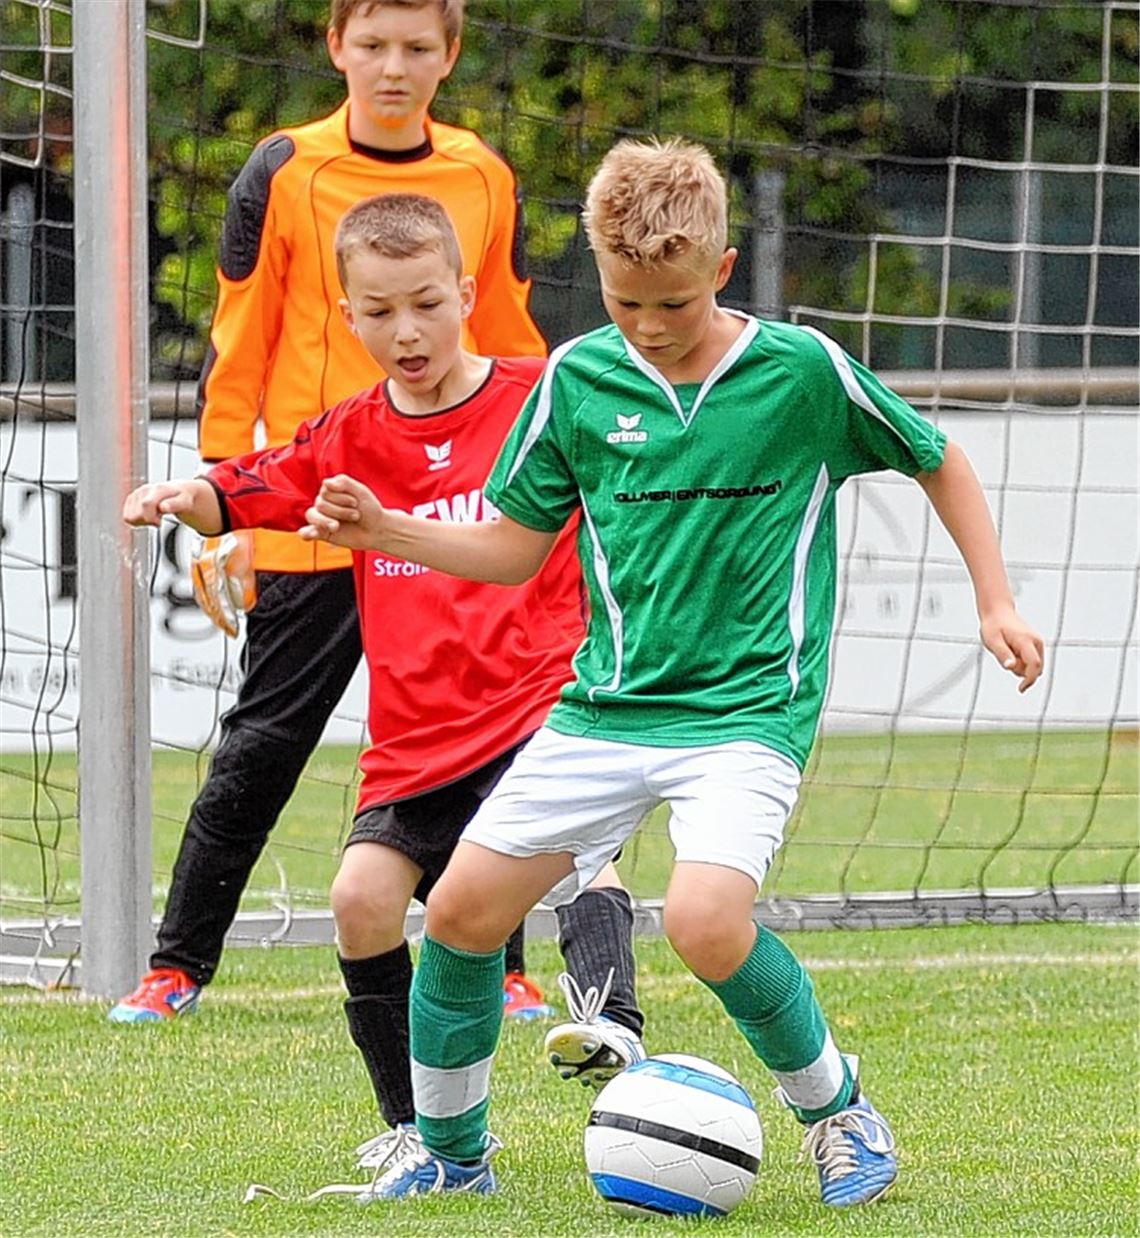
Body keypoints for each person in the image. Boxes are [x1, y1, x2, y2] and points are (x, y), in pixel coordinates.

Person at [299, 138, 1045, 1207]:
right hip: (604, 707)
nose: (648, 326)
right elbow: (514, 545)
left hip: (746, 713)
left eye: (674, 305)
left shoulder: (799, 372)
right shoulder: (579, 378)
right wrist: (388, 528)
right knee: (460, 913)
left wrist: (996, 598)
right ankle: (452, 1155)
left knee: (704, 918)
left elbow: (937, 455)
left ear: (725, 267)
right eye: (624, 301)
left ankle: (839, 1111)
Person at [122, 192, 647, 1182]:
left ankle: (611, 1024)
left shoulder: (544, 399)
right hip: (417, 737)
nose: (406, 331)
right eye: (379, 310)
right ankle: (425, 1132)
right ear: (348, 311)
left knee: (584, 849)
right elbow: (245, 486)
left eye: (425, 304)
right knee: (361, 898)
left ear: (465, 292)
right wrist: (181, 498)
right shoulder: (348, 434)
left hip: (544, 699)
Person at [110, 0, 567, 1026]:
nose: (393, 68)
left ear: (450, 56)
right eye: (373, 45)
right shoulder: (285, 169)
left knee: (488, 731)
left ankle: (503, 963)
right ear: (336, 48)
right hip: (311, 505)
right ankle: (176, 964)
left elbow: (508, 334)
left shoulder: (483, 177)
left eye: (416, 47)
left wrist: (541, 482)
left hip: (453, 504)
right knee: (265, 738)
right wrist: (224, 497)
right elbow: (241, 339)